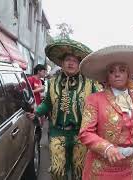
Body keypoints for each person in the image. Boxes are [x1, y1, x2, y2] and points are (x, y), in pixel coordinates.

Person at [78, 45, 133, 180]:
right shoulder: (95, 99)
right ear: (107, 76)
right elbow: (85, 133)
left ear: (128, 74)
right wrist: (107, 148)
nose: (117, 73)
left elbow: (132, 127)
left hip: (128, 165)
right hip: (102, 166)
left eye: (122, 70)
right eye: (111, 71)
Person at [26, 38, 98, 180]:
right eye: (67, 60)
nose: (71, 63)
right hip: (57, 131)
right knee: (57, 171)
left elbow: (98, 105)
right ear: (62, 63)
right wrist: (37, 112)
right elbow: (47, 103)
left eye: (74, 60)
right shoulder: (52, 82)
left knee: (79, 170)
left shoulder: (90, 83)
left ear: (80, 64)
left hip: (82, 133)